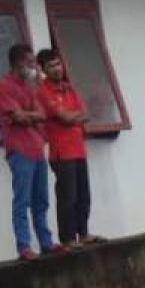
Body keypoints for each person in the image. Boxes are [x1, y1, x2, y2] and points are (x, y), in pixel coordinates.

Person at [0, 43, 64, 260]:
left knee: (41, 200)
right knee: (22, 201)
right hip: (19, 151)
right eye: (31, 63)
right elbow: (17, 117)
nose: (34, 68)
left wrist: (27, 116)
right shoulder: (3, 86)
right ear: (19, 63)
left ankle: (46, 242)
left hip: (36, 149)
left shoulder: (28, 88)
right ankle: (24, 246)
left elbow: (40, 114)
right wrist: (27, 115)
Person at [36, 49, 104, 248]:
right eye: (51, 66)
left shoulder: (69, 88)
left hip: (79, 149)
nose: (57, 69)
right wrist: (72, 117)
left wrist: (71, 116)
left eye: (58, 64)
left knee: (84, 195)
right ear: (43, 70)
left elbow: (85, 114)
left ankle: (83, 233)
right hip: (61, 152)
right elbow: (65, 118)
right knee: (68, 196)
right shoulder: (43, 92)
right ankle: (67, 238)